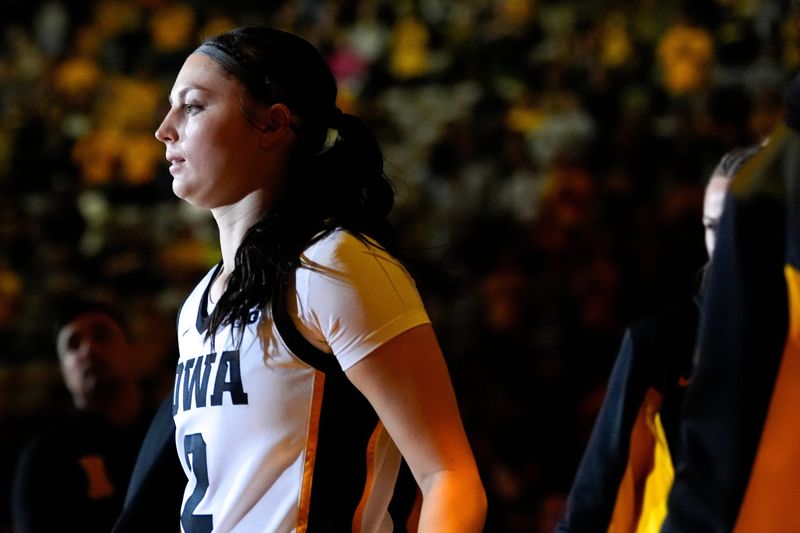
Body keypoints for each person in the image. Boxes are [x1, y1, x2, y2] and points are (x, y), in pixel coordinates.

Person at [153, 26, 487, 532]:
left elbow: (449, 476)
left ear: (272, 124)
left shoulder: (332, 266)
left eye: (193, 106)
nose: (165, 129)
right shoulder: (196, 306)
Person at [555, 144, 762, 533]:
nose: (723, 243)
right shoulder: (662, 341)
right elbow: (595, 501)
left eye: (738, 224)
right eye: (712, 226)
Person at [11, 298, 153, 533]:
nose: (88, 349)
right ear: (63, 372)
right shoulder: (45, 459)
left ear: (133, 349)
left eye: (101, 336)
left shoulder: (174, 432)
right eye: (73, 344)